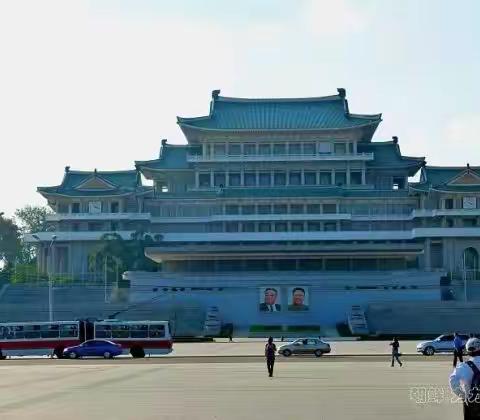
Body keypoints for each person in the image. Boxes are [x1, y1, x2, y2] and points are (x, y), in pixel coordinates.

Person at [449, 337, 480, 419]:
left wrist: (463, 395)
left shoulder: (463, 366)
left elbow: (453, 381)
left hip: (473, 402)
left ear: (468, 351)